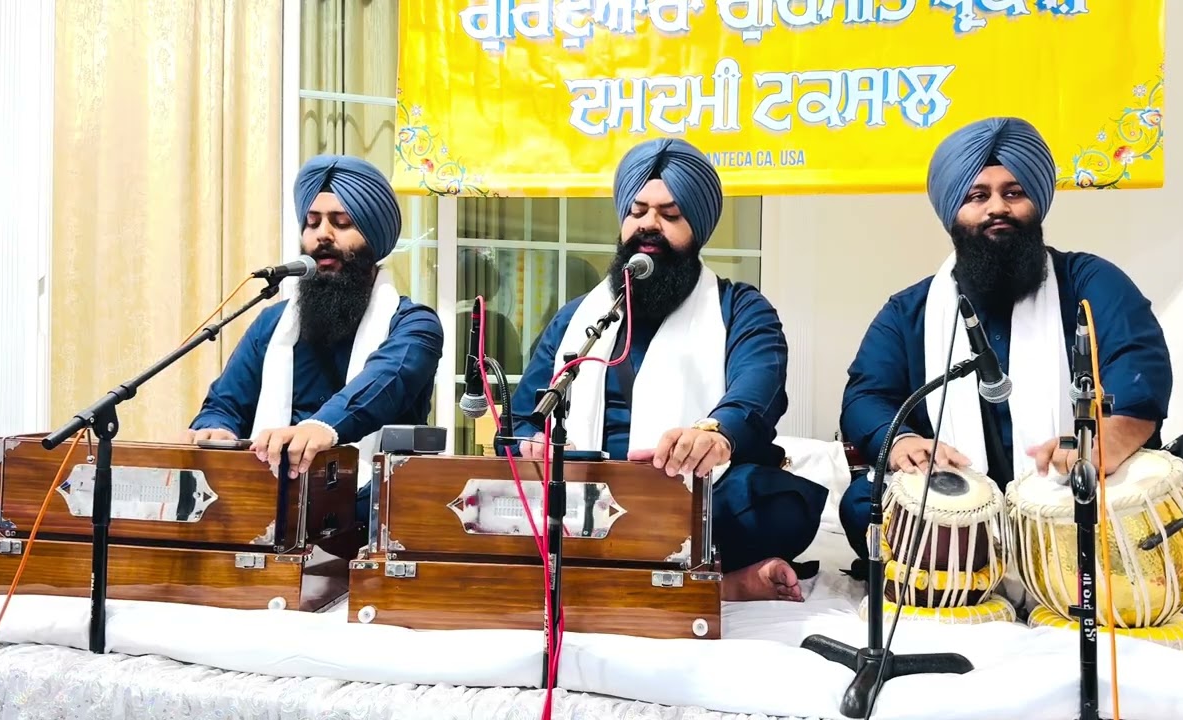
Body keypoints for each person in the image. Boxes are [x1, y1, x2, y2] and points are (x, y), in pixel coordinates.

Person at [838, 117, 1183, 566]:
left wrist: (1103, 445)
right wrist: (899, 439)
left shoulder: (1088, 282)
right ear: (952, 213)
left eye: (1013, 193)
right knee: (862, 505)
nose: (997, 207)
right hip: (960, 492)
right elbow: (866, 395)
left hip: (1074, 484)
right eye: (978, 195)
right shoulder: (911, 310)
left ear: (1035, 203)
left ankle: (1007, 560)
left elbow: (1139, 364)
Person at [503, 138, 828, 602]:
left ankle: (610, 574)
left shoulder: (740, 309)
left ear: (697, 228)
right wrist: (531, 443)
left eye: (670, 215)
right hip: (583, 495)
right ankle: (716, 583)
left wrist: (714, 434)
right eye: (637, 212)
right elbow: (526, 416)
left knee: (777, 503)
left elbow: (759, 392)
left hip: (688, 495)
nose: (648, 226)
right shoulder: (579, 319)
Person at [187, 155, 444, 515]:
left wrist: (322, 427)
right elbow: (226, 404)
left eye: (341, 223)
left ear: (374, 239)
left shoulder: (413, 325)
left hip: (371, 522)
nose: (322, 234)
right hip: (271, 515)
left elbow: (384, 382)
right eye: (312, 223)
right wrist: (216, 429)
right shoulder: (274, 324)